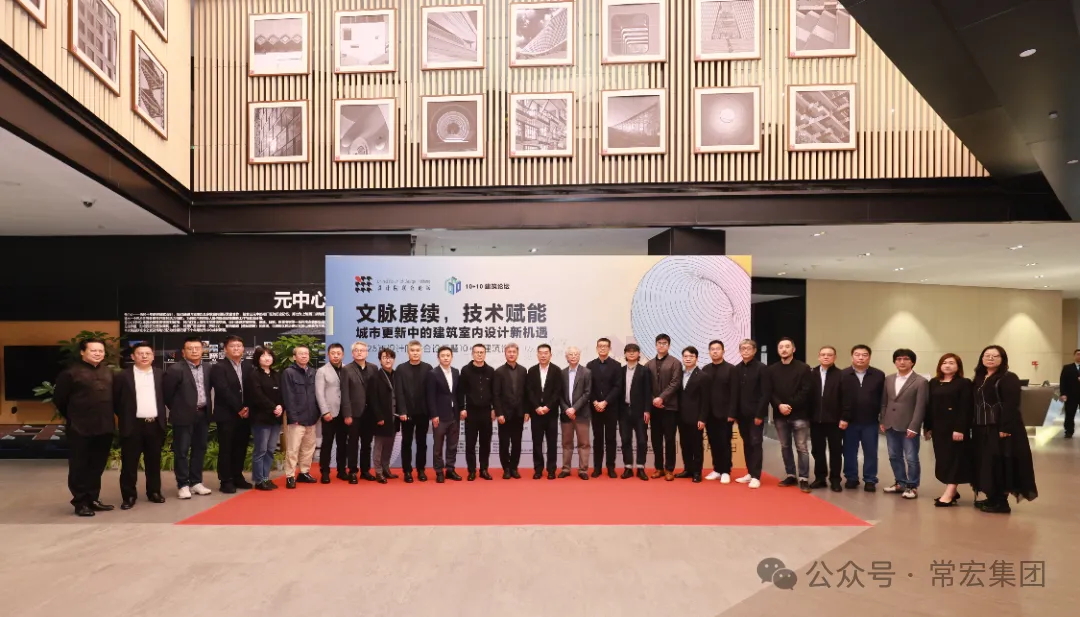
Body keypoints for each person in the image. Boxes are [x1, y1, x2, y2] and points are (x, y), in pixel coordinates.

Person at [971, 345, 1038, 514]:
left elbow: (1011, 404)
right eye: (987, 355)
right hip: (982, 429)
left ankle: (1001, 502)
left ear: (1003, 359)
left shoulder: (1008, 378)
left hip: (1000, 429)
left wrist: (1005, 427)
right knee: (986, 464)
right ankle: (992, 497)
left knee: (1000, 463)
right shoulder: (979, 377)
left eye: (995, 356)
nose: (990, 358)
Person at [54, 338, 116, 517]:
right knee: (79, 466)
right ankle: (80, 502)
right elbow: (60, 400)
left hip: (104, 426)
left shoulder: (109, 372)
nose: (98, 353)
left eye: (101, 351)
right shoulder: (70, 373)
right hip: (80, 428)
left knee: (97, 465)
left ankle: (93, 499)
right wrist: (74, 417)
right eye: (93, 350)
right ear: (82, 352)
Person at [113, 341, 167, 510]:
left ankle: (154, 492)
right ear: (133, 356)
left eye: (147, 353)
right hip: (132, 425)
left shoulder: (160, 374)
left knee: (154, 462)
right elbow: (116, 401)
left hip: (154, 424)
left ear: (153, 356)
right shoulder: (122, 376)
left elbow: (166, 397)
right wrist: (126, 418)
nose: (144, 356)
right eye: (140, 353)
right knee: (129, 464)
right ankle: (129, 495)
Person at [163, 337, 214, 499]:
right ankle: (183, 484)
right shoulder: (175, 369)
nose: (194, 351)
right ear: (183, 352)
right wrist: (180, 408)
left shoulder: (208, 368)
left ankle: (196, 482)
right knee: (182, 451)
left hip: (203, 414)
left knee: (200, 449)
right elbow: (167, 394)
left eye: (197, 348)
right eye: (190, 348)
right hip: (182, 415)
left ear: (202, 350)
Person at [880, 348, 929, 499]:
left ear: (912, 362)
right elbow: (884, 402)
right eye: (899, 359)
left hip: (909, 426)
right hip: (890, 424)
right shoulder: (888, 379)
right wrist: (883, 420)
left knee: (911, 458)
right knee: (894, 456)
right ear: (895, 362)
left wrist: (915, 426)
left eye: (906, 359)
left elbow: (921, 406)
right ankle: (900, 483)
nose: (902, 362)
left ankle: (912, 486)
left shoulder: (920, 381)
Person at [925, 353, 972, 507]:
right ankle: (952, 490)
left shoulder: (964, 383)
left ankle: (950, 492)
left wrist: (960, 428)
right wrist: (928, 426)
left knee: (954, 459)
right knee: (943, 460)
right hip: (939, 428)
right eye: (944, 362)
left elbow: (966, 407)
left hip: (955, 428)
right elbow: (929, 406)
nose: (947, 365)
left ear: (958, 366)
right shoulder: (934, 382)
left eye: (952, 363)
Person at [767, 337, 814, 492]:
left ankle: (804, 478)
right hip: (780, 415)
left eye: (787, 346)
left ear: (793, 349)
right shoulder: (772, 369)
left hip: (799, 414)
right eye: (781, 347)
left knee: (802, 447)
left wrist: (790, 406)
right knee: (785, 446)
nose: (784, 349)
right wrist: (779, 405)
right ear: (778, 350)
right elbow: (770, 391)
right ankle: (790, 475)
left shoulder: (804, 368)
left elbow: (806, 390)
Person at [209, 335, 252, 493]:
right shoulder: (219, 367)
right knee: (226, 448)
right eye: (232, 346)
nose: (236, 348)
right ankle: (226, 480)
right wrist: (239, 408)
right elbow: (223, 390)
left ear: (243, 348)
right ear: (225, 349)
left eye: (239, 345)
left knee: (241, 447)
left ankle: (237, 476)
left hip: (246, 414)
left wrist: (247, 407)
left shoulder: (248, 366)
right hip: (227, 414)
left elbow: (252, 388)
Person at [839, 345, 886, 492]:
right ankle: (851, 477)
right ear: (852, 356)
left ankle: (870, 479)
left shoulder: (878, 375)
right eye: (857, 354)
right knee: (849, 451)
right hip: (849, 421)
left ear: (869, 357)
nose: (861, 358)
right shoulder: (843, 374)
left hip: (870, 421)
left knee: (871, 452)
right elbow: (839, 398)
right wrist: (842, 417)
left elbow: (883, 398)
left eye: (864, 355)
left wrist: (883, 418)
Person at [245, 346, 284, 490]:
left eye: (269, 355)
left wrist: (280, 407)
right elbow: (257, 396)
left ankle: (266, 477)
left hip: (275, 418)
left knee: (270, 449)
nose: (267, 358)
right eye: (263, 356)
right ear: (257, 359)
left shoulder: (276, 374)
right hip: (261, 418)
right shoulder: (254, 375)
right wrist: (273, 407)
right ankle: (259, 480)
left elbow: (282, 394)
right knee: (261, 450)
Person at [281, 345, 319, 489]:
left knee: (308, 447)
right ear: (294, 357)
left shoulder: (313, 372)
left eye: (306, 354)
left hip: (311, 418)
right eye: (301, 354)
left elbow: (317, 394)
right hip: (296, 418)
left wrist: (317, 414)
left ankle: (304, 472)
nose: (304, 356)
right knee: (293, 448)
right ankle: (290, 476)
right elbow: (288, 396)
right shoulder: (289, 372)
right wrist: (293, 416)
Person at [733, 339, 768, 489]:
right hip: (741, 415)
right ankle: (749, 472)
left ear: (754, 351)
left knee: (756, 443)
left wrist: (760, 415)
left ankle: (756, 476)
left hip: (755, 415)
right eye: (743, 348)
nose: (745, 351)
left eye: (748, 348)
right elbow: (734, 393)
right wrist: (734, 414)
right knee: (747, 443)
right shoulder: (737, 369)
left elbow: (765, 394)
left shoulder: (762, 368)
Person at [340, 341, 378, 483]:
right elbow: (344, 393)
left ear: (367, 352)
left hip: (370, 413)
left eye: (362, 350)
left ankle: (365, 471)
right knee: (353, 444)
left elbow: (376, 391)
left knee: (367, 444)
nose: (360, 352)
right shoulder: (346, 369)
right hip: (354, 413)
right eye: (357, 350)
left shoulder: (373, 368)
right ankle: (352, 472)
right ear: (352, 353)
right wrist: (347, 414)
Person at [395, 340, 432, 483]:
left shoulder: (428, 368)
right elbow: (399, 392)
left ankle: (421, 470)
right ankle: (407, 471)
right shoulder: (401, 369)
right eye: (412, 350)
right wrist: (402, 411)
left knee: (422, 443)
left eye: (417, 350)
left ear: (421, 352)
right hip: (407, 414)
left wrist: (431, 411)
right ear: (408, 352)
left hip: (423, 413)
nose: (415, 353)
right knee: (407, 442)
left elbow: (430, 392)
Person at [458, 343, 496, 481]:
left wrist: (494, 409)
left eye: (481, 352)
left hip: (486, 411)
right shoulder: (465, 370)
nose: (479, 355)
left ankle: (484, 469)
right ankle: (472, 471)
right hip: (471, 412)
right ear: (472, 354)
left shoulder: (491, 371)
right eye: (477, 352)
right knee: (470, 443)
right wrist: (462, 408)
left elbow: (494, 392)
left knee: (485, 443)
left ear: (485, 354)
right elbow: (461, 391)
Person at [646, 333, 681, 481]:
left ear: (669, 345)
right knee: (656, 439)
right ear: (655, 345)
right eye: (659, 343)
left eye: (664, 343)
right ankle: (659, 468)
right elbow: (646, 386)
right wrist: (653, 400)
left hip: (670, 407)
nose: (661, 345)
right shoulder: (649, 364)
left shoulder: (675, 363)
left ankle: (669, 469)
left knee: (670, 439)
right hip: (654, 408)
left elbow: (675, 383)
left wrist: (661, 398)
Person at [526, 343, 564, 480]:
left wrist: (548, 407)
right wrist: (536, 407)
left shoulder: (556, 370)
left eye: (546, 353)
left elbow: (557, 392)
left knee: (552, 443)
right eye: (540, 353)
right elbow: (529, 391)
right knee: (537, 443)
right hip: (536, 413)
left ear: (550, 355)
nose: (543, 355)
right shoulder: (531, 371)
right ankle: (538, 469)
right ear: (537, 355)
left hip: (551, 413)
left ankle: (551, 470)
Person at [809, 346, 844, 492]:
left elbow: (846, 399)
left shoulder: (841, 375)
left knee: (835, 451)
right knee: (817, 450)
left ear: (834, 357)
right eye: (823, 354)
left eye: (829, 355)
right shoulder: (811, 373)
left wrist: (844, 417)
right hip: (815, 420)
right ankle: (820, 478)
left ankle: (835, 479)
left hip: (835, 421)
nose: (826, 357)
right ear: (818, 357)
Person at [586, 338, 622, 478]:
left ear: (609, 348)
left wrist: (605, 402)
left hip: (611, 407)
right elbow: (588, 387)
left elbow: (617, 387)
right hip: (595, 408)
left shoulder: (616, 365)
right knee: (598, 438)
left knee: (611, 438)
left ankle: (611, 468)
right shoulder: (590, 365)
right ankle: (597, 468)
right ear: (596, 348)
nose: (602, 348)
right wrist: (595, 401)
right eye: (600, 346)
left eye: (605, 346)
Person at [701, 340, 736, 483]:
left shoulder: (731, 369)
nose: (715, 351)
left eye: (717, 349)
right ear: (709, 352)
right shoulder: (705, 369)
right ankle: (717, 469)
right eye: (712, 349)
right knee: (713, 442)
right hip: (709, 414)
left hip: (725, 414)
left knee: (725, 442)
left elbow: (734, 393)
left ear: (723, 351)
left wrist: (732, 413)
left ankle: (726, 471)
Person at [426, 346, 462, 483]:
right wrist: (434, 415)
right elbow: (430, 396)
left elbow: (457, 393)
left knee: (453, 445)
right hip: (440, 416)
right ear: (438, 358)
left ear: (452, 357)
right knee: (438, 447)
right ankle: (439, 471)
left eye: (448, 355)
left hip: (454, 415)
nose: (446, 358)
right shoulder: (433, 373)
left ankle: (450, 470)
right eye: (443, 355)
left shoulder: (456, 372)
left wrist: (461, 409)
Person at [493, 343, 528, 479]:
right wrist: (499, 413)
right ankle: (506, 469)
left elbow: (526, 393)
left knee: (517, 443)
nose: (511, 354)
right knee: (504, 443)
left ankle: (514, 468)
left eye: (514, 352)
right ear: (505, 354)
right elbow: (496, 394)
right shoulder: (499, 371)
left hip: (519, 413)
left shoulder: (523, 370)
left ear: (517, 354)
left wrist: (526, 411)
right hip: (504, 414)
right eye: (509, 352)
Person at [676, 346, 710, 483]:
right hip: (681, 416)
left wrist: (702, 418)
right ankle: (688, 469)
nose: (688, 359)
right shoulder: (679, 374)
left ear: (696, 358)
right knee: (685, 444)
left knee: (696, 445)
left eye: (691, 356)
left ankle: (697, 472)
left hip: (696, 418)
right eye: (685, 356)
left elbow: (706, 400)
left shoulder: (703, 376)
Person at [619, 344, 653, 480]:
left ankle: (640, 467)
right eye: (629, 351)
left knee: (642, 440)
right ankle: (627, 467)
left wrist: (647, 410)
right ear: (625, 354)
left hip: (640, 412)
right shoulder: (621, 370)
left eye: (634, 351)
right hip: (623, 411)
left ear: (639, 354)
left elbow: (648, 392)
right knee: (625, 439)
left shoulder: (644, 371)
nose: (631, 353)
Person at [559, 347, 593, 480]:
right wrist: (567, 409)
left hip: (582, 414)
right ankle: (566, 469)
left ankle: (583, 470)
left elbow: (587, 393)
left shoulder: (587, 372)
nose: (573, 356)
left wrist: (574, 408)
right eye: (571, 354)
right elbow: (559, 394)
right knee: (566, 443)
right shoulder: (561, 373)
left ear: (579, 356)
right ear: (566, 357)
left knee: (583, 443)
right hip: (566, 414)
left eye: (576, 354)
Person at [315, 343, 346, 483]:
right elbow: (319, 393)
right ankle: (325, 472)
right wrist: (325, 411)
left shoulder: (347, 369)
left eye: (338, 353)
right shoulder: (322, 371)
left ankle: (341, 471)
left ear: (343, 355)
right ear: (328, 354)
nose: (336, 356)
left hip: (344, 413)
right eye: (333, 353)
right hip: (329, 413)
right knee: (327, 443)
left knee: (342, 443)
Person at [370, 348, 401, 483]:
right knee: (379, 446)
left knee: (389, 445)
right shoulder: (375, 377)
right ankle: (378, 471)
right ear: (380, 360)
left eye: (390, 357)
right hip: (382, 418)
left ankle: (386, 469)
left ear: (393, 360)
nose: (388, 360)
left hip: (394, 417)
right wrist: (379, 417)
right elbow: (373, 399)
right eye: (384, 357)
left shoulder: (397, 375)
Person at [1058, 349, 1080, 438]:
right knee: (1069, 414)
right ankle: (1069, 431)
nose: (1079, 356)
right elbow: (1063, 381)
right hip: (1071, 395)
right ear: (1074, 356)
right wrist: (1063, 393)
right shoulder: (1067, 368)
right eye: (1078, 354)